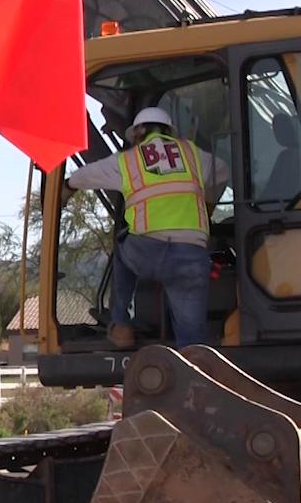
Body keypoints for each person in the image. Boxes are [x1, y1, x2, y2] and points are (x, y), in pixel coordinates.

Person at [64, 106, 230, 349]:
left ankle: (121, 325)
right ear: (169, 131)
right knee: (192, 341)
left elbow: (85, 175)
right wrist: (207, 205)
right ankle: (194, 377)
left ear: (139, 131)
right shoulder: (193, 154)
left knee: (121, 247)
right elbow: (223, 169)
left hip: (149, 251)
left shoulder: (128, 160)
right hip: (192, 256)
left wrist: (68, 186)